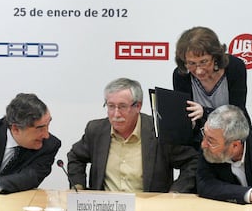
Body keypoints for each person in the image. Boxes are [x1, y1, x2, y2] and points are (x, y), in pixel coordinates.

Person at [67, 78, 198, 193]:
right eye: (111, 106)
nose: (116, 114)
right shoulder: (96, 130)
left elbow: (192, 161)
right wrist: (78, 187)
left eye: (122, 106)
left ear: (138, 106)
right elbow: (76, 157)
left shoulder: (158, 130)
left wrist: (176, 192)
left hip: (148, 207)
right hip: (106, 206)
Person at [173, 26, 251, 148]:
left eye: (204, 62)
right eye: (191, 63)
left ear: (215, 57)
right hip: (200, 141)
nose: (198, 71)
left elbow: (237, 114)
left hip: (233, 137)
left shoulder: (235, 67)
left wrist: (205, 112)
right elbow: (187, 118)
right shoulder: (181, 75)